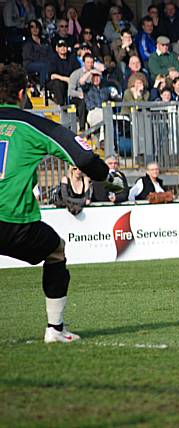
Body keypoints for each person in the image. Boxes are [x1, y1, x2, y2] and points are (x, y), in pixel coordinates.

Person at [0, 64, 119, 342]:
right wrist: (108, 178)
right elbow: (85, 158)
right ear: (22, 93)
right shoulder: (32, 125)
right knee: (55, 250)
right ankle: (55, 330)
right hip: (13, 220)